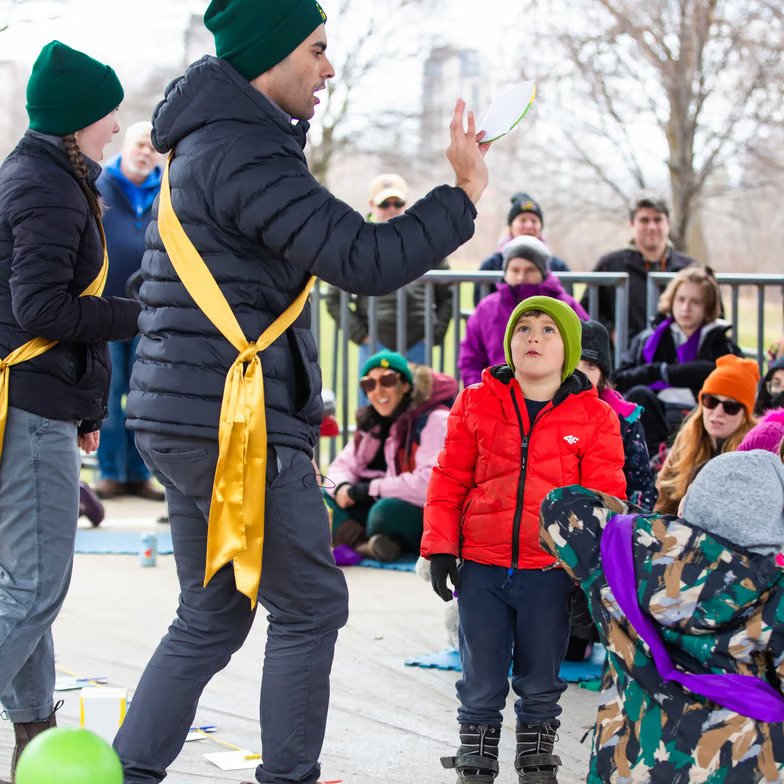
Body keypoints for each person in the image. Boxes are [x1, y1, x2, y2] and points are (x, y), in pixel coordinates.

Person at [114, 2, 491, 782]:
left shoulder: (207, 140)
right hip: (235, 422)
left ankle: (130, 771)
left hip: (187, 415)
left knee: (212, 613)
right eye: (317, 49)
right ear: (271, 53)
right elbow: (366, 257)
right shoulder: (245, 151)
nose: (329, 68)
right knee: (310, 605)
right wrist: (462, 193)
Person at [0, 41, 139, 783]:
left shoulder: (48, 175)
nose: (116, 126)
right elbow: (45, 310)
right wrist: (143, 314)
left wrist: (86, 407)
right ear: (79, 118)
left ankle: (35, 744)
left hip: (38, 401)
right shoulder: (46, 186)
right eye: (109, 114)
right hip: (29, 407)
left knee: (25, 584)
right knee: (34, 588)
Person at [422, 296, 626, 784]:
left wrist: (590, 576)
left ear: (569, 349)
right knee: (482, 669)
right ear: (510, 342)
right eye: (524, 328)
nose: (533, 337)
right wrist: (441, 547)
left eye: (548, 330)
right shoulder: (476, 401)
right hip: (482, 566)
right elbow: (449, 477)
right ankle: (476, 752)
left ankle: (536, 754)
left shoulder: (595, 417)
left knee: (540, 672)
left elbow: (604, 503)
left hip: (550, 572)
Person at [539, 450, 784, 783]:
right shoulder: (776, 595)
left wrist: (667, 532)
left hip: (630, 767)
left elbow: (560, 504)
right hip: (741, 768)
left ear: (690, 503)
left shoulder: (626, 554)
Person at [323, 350, 456, 562]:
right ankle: (366, 545)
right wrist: (342, 488)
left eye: (388, 380)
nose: (378, 391)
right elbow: (340, 466)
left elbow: (429, 485)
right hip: (380, 498)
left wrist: (368, 489)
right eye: (369, 384)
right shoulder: (371, 423)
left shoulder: (435, 419)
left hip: (427, 510)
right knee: (321, 496)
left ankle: (360, 541)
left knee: (383, 513)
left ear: (405, 385)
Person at [93, 121, 163, 502]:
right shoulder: (100, 184)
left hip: (150, 309)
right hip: (104, 308)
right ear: (125, 146)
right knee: (108, 391)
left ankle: (139, 474)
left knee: (145, 395)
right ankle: (110, 472)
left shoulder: (166, 189)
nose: (145, 153)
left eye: (152, 147)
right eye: (140, 144)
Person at [324, 173, 454, 369]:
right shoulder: (357, 243)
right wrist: (361, 335)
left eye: (397, 203)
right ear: (371, 205)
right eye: (385, 204)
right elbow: (334, 298)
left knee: (419, 391)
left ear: (406, 204)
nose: (392, 209)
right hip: (375, 345)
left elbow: (447, 294)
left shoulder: (427, 242)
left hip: (418, 345)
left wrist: (434, 334)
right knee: (373, 389)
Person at [613, 265, 742, 455]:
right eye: (681, 299)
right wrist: (656, 371)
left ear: (707, 307)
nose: (686, 308)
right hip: (655, 412)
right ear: (671, 300)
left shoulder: (720, 343)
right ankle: (654, 460)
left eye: (695, 302)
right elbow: (619, 378)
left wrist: (665, 373)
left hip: (700, 415)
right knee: (639, 394)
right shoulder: (648, 339)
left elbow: (732, 377)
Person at [459, 235, 587, 387]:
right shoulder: (486, 309)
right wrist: (485, 393)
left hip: (557, 392)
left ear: (543, 272)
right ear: (505, 272)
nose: (521, 277)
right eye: (514, 270)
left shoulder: (567, 307)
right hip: (495, 393)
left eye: (530, 270)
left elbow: (587, 352)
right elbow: (470, 361)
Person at [655, 355, 758, 515]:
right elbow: (661, 498)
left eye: (730, 407)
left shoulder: (754, 453)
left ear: (745, 416)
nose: (717, 412)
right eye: (711, 401)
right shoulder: (687, 437)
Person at [582, 196, 696, 340]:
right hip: (624, 353)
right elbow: (586, 311)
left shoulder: (690, 269)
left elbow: (712, 315)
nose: (652, 227)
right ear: (632, 224)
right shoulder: (610, 265)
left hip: (678, 352)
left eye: (658, 220)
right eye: (644, 220)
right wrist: (610, 333)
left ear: (667, 223)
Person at [578, 320, 657, 509]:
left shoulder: (624, 418)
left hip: (611, 513)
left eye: (590, 365)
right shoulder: (545, 408)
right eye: (572, 364)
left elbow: (641, 485)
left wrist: (628, 520)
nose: (580, 373)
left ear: (602, 374)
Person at [474, 191, 570, 306]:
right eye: (523, 220)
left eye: (534, 221)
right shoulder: (491, 265)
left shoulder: (558, 266)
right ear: (511, 226)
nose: (529, 225)